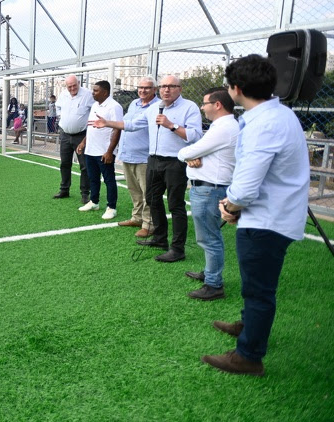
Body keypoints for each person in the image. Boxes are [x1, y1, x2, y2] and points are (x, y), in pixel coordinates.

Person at [201, 55, 309, 376]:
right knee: (256, 285)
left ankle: (248, 355)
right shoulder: (279, 114)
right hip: (272, 216)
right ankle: (248, 326)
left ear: (236, 89)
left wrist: (230, 207)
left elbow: (247, 187)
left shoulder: (264, 123)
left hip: (266, 221)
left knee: (259, 290)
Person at [93, 75, 202, 262]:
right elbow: (133, 124)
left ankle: (177, 249)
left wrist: (171, 125)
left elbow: (194, 135)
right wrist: (108, 123)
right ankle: (160, 239)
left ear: (180, 89)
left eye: (171, 86)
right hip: (153, 160)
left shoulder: (189, 107)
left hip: (175, 162)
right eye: (163, 86)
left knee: (176, 205)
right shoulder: (153, 109)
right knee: (152, 199)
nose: (166, 89)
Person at [177, 87, 239, 301]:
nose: (202, 107)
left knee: (209, 238)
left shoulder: (224, 127)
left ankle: (213, 284)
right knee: (208, 236)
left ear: (217, 105)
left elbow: (187, 150)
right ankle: (210, 273)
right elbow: (196, 152)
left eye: (205, 103)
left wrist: (187, 155)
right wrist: (192, 157)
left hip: (209, 189)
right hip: (207, 188)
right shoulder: (223, 126)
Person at [117, 77, 159, 238]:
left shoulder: (157, 106)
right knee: (133, 189)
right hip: (128, 154)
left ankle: (149, 224)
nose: (143, 91)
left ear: (154, 89)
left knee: (147, 192)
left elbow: (133, 125)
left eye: (147, 88)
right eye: (140, 87)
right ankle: (137, 217)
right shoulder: (134, 103)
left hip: (144, 157)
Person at [78, 80, 122, 220]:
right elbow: (91, 126)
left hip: (104, 151)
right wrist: (84, 142)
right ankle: (94, 202)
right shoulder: (95, 105)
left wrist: (110, 151)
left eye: (96, 91)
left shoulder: (114, 106)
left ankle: (111, 207)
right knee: (93, 178)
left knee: (109, 179)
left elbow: (117, 129)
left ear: (105, 92)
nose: (93, 93)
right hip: (91, 149)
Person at [54, 75, 94, 202]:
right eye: (69, 86)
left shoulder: (88, 94)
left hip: (81, 136)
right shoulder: (63, 94)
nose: (72, 88)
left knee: (84, 166)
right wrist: (61, 116)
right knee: (64, 164)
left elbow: (95, 110)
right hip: (65, 135)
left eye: (74, 85)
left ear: (79, 83)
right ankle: (64, 190)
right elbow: (58, 107)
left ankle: (85, 193)